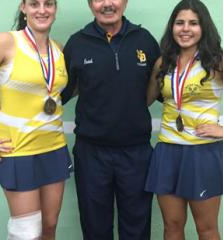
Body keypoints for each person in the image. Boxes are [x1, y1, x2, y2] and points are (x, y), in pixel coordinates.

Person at [144, 0, 223, 239]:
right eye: (179, 22)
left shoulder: (217, 61)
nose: (185, 28)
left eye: (193, 23)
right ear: (172, 27)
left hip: (202, 154)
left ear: (204, 28)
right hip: (167, 151)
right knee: (172, 226)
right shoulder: (163, 63)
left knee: (206, 229)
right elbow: (145, 101)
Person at [0, 0, 72, 239]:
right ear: (23, 8)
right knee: (27, 233)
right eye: (34, 4)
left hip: (54, 148)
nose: (42, 10)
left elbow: (54, 91)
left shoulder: (58, 49)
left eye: (48, 4)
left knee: (49, 228)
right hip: (18, 151)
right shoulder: (6, 42)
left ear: (55, 9)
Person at [61, 0, 160, 239]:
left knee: (137, 229)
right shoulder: (77, 43)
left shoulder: (145, 40)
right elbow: (58, 94)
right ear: (89, 4)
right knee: (95, 229)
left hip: (136, 153)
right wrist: (15, 102)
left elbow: (165, 88)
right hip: (91, 153)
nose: (106, 4)